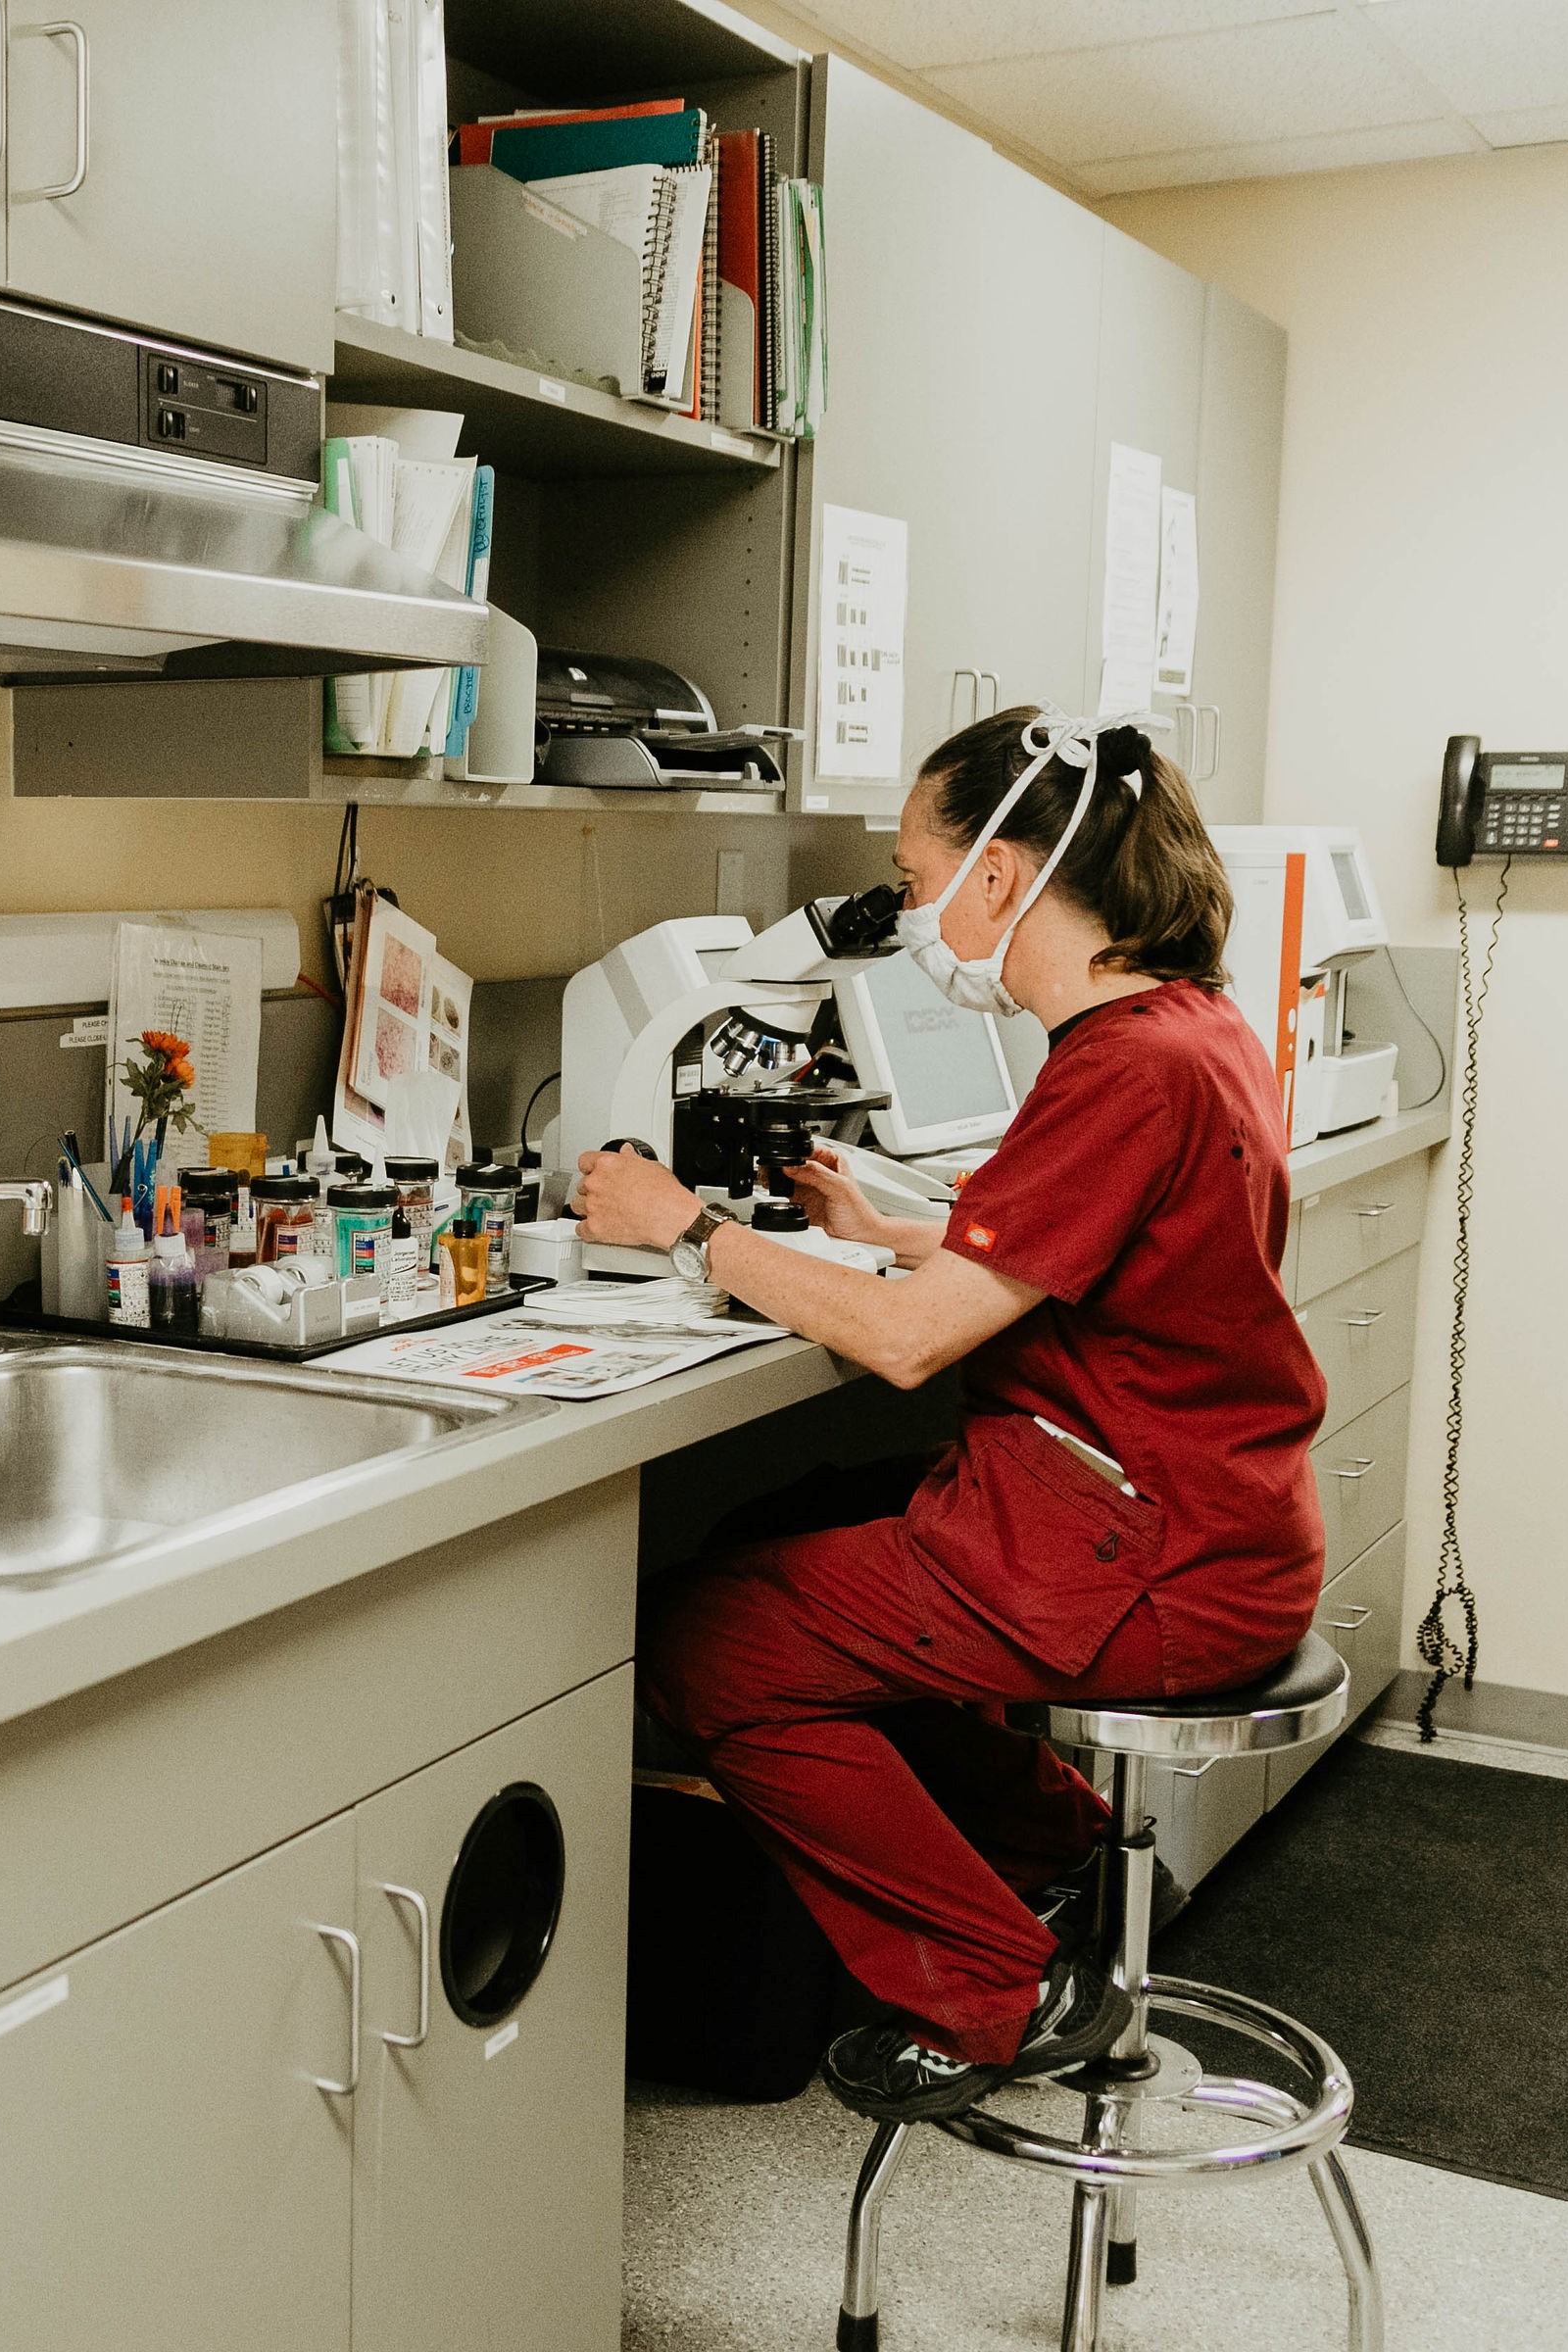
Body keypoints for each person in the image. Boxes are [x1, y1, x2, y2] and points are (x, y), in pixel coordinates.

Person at [569, 705, 1325, 2124]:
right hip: (1211, 1517)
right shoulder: (1185, 1026)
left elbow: (915, 1351)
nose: (913, 908)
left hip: (1149, 1557)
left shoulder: (1124, 1065)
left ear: (999, 874)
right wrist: (894, 1223)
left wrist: (682, 1228)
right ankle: (1063, 1853)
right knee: (783, 1533)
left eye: (917, 878)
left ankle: (998, 1982)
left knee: (703, 1638)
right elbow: (1086, 1250)